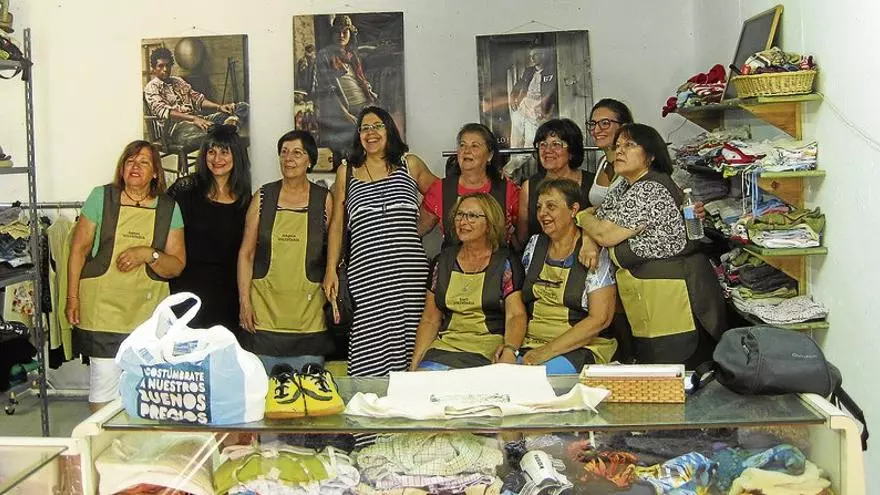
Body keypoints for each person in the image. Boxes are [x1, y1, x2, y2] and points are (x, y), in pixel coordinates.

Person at [576, 124, 726, 367]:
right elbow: (598, 215)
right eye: (617, 146)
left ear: (651, 155)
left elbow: (604, 233)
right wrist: (587, 237)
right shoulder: (625, 185)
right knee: (656, 367)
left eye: (629, 145)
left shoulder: (650, 188)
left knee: (678, 369)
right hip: (648, 293)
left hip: (674, 295)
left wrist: (581, 218)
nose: (619, 151)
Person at [66, 140, 186, 412]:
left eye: (144, 162)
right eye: (130, 161)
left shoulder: (169, 208)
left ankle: (138, 439)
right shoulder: (101, 197)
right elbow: (78, 251)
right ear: (122, 168)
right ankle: (103, 437)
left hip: (147, 313)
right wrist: (72, 297)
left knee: (149, 390)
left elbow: (177, 265)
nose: (135, 166)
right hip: (101, 311)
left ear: (155, 172)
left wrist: (148, 254)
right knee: (103, 388)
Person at [324, 106, 438, 377]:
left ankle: (411, 399)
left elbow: (441, 196)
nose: (371, 133)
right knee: (370, 344)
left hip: (409, 275)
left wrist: (416, 230)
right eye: (364, 128)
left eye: (377, 126)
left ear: (389, 130)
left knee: (412, 339)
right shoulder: (347, 172)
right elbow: (337, 224)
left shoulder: (410, 164)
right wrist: (330, 269)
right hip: (366, 276)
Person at [238, 130, 335, 374]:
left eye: (297, 153)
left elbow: (334, 253)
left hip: (309, 316)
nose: (289, 158)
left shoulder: (324, 199)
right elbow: (246, 254)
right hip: (264, 313)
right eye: (284, 152)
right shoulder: (263, 197)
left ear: (310, 160)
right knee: (265, 388)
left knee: (310, 387)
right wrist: (244, 302)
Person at [411, 193, 527, 370]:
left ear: (490, 223)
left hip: (487, 350)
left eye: (472, 216)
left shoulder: (505, 263)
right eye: (460, 215)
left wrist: (510, 349)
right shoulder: (442, 262)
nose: (463, 222)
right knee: (422, 381)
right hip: (445, 348)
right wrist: (415, 364)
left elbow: (515, 315)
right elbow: (430, 319)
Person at [520, 178, 617, 374]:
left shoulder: (593, 252)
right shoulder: (534, 245)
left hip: (579, 348)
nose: (542, 213)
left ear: (574, 210)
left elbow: (600, 319)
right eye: (539, 207)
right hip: (531, 344)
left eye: (551, 206)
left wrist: (544, 352)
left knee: (541, 376)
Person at [167, 124, 251, 334]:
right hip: (187, 293)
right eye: (211, 152)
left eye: (224, 152)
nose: (216, 159)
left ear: (237, 156)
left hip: (228, 295)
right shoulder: (185, 189)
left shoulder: (246, 200)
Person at [418, 123, 521, 249]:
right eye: (462, 145)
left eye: (474, 146)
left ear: (490, 155)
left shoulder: (507, 189)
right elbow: (418, 229)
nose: (466, 151)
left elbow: (523, 235)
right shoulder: (441, 189)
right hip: (452, 260)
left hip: (497, 259)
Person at [143, 47, 249, 150]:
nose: (165, 69)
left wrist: (219, 107)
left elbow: (198, 99)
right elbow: (165, 112)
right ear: (154, 69)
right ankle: (228, 129)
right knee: (209, 130)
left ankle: (224, 129)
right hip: (175, 130)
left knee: (242, 107)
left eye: (167, 65)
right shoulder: (151, 87)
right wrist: (194, 119)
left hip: (199, 120)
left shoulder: (178, 81)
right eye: (160, 66)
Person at [517, 118, 596, 246]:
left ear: (572, 151)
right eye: (543, 144)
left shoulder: (593, 184)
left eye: (556, 144)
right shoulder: (529, 186)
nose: (548, 150)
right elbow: (522, 238)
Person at [313, 14, 377, 167]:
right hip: (345, 109)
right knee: (348, 156)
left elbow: (359, 79)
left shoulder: (352, 55)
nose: (341, 35)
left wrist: (369, 90)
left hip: (364, 104)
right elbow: (327, 91)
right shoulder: (324, 55)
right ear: (332, 34)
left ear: (350, 34)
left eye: (345, 32)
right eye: (337, 32)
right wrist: (345, 113)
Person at [586, 98, 634, 207]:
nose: (596, 130)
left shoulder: (634, 163)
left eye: (605, 123)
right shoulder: (602, 162)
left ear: (623, 127)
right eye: (593, 124)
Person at [509, 45, 557, 150]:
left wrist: (548, 113)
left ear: (542, 55)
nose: (532, 58)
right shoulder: (529, 71)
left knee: (530, 142)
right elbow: (519, 85)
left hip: (538, 108)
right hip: (524, 105)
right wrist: (512, 97)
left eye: (535, 55)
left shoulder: (551, 71)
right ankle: (514, 158)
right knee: (516, 138)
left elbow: (553, 95)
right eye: (530, 56)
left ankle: (519, 161)